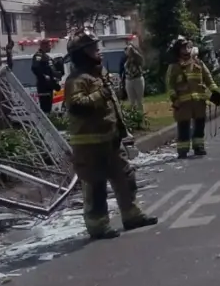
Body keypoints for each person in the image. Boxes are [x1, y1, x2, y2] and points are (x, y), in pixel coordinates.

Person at [63, 32, 158, 239]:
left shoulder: (100, 75)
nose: (98, 51)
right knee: (96, 186)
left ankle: (132, 216)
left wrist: (123, 131)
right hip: (90, 147)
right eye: (92, 49)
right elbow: (77, 106)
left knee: (126, 178)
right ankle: (98, 226)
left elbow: (113, 107)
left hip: (111, 141)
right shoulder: (76, 80)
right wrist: (101, 94)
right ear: (81, 55)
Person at [166, 37, 220, 159]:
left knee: (200, 125)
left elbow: (209, 80)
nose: (187, 49)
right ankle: (183, 150)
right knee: (183, 126)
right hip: (183, 103)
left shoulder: (199, 63)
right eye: (184, 47)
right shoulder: (174, 67)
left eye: (188, 47)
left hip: (199, 102)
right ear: (178, 50)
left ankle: (199, 147)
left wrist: (216, 95)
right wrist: (174, 99)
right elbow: (170, 85)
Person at [31, 39, 60, 114]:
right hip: (43, 87)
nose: (50, 47)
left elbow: (50, 71)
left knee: (49, 108)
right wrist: (44, 77)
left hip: (49, 86)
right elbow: (35, 68)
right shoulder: (39, 55)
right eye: (49, 46)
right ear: (43, 46)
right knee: (45, 108)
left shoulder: (46, 56)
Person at [122, 38, 146, 111]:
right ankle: (133, 117)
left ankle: (141, 117)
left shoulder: (137, 58)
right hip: (129, 80)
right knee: (131, 101)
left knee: (139, 100)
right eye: (127, 50)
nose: (127, 51)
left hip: (137, 79)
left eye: (129, 50)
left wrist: (134, 51)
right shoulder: (125, 59)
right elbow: (122, 69)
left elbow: (142, 61)